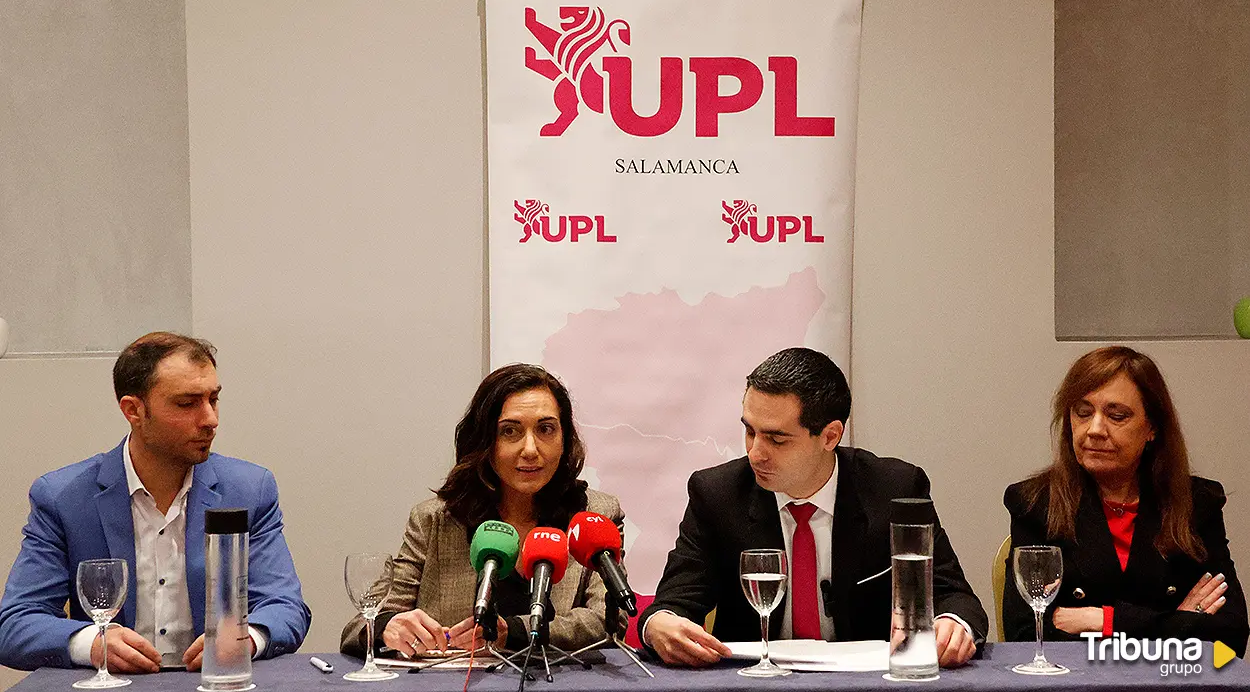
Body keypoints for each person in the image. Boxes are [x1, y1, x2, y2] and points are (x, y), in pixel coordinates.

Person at [639, 347, 987, 667]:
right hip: (753, 685)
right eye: (750, 432)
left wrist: (952, 625)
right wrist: (658, 626)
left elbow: (954, 597)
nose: (755, 453)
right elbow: (675, 602)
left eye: (776, 439)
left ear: (830, 436)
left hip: (867, 686)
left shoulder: (894, 490)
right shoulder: (717, 495)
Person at [0, 332, 311, 672]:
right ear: (133, 410)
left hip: (214, 683)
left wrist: (246, 638)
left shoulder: (250, 490)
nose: (210, 419)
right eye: (187, 404)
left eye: (213, 399)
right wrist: (91, 643)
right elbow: (15, 624)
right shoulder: (64, 498)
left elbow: (285, 606)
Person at [340, 363, 624, 656]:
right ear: (485, 440)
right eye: (510, 431)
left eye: (546, 429)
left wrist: (513, 632)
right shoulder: (436, 520)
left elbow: (609, 621)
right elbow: (360, 624)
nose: (530, 449)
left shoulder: (596, 515)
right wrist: (388, 627)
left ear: (564, 440)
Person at [1003, 346, 1248, 656]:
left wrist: (1103, 620)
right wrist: (1177, 621)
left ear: (1152, 427)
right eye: (1082, 413)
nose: (1095, 429)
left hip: (1171, 680)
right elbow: (1026, 636)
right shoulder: (1034, 503)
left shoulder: (1196, 504)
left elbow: (1230, 636)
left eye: (1116, 416)